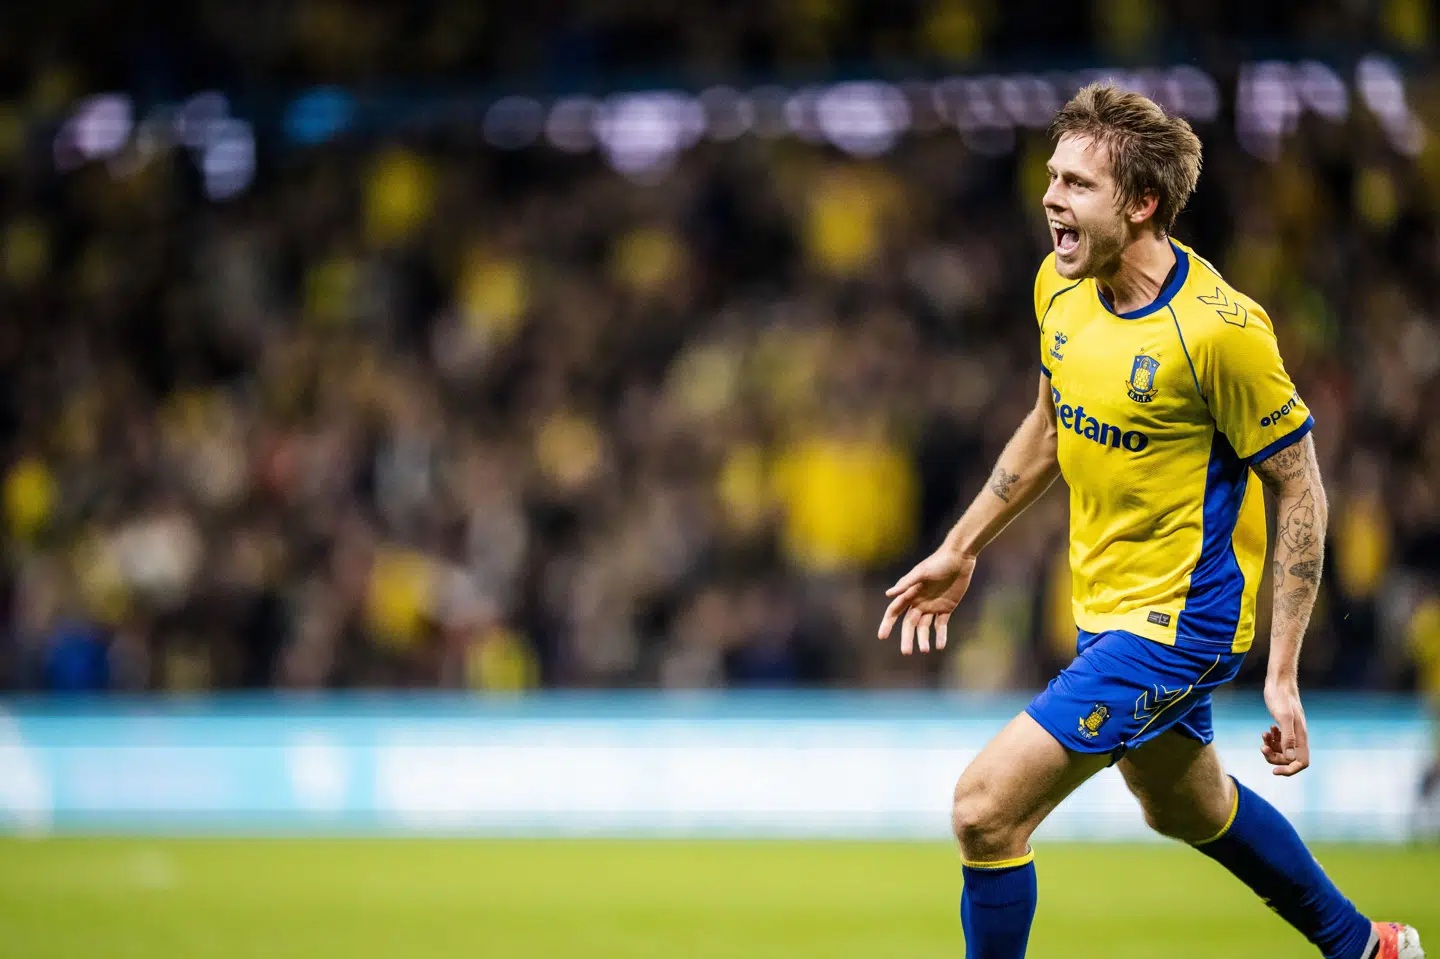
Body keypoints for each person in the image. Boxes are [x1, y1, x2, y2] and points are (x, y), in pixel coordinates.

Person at [878, 82, 1424, 959]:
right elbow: (1051, 424)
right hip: (1104, 606)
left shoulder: (1220, 333)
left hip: (1182, 621)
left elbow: (1300, 487)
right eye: (1052, 176)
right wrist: (960, 545)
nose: (1051, 198)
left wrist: (1282, 669)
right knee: (1186, 806)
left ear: (1140, 204)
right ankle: (1368, 946)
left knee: (985, 810)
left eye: (1077, 184)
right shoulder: (1059, 289)